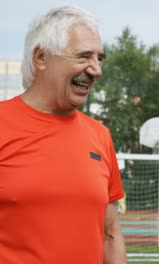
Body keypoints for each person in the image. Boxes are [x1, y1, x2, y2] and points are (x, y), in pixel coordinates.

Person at [0, 6, 127, 263]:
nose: (96, 70)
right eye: (84, 56)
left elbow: (110, 235)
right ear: (41, 57)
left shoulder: (100, 135)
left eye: (99, 58)